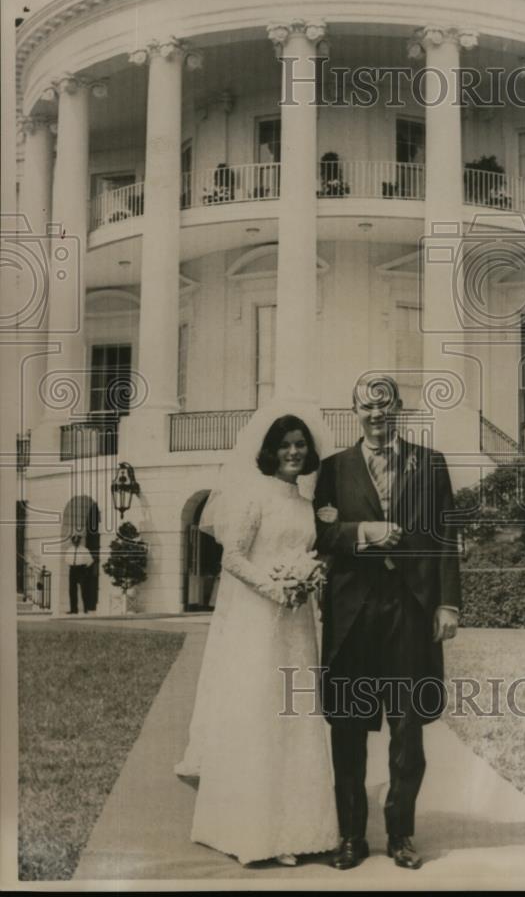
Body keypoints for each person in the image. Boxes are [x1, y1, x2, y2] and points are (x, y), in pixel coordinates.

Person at [175, 404, 339, 867]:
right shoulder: (255, 495)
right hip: (258, 617)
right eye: (285, 446)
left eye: (300, 446)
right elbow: (232, 558)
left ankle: (300, 828)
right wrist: (275, 586)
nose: (293, 452)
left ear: (308, 453)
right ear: (270, 451)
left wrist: (309, 577)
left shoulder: (307, 505)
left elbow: (311, 552)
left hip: (297, 624)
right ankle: (252, 830)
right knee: (259, 712)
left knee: (295, 715)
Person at [314, 373, 461, 871]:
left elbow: (445, 537)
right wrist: (364, 532)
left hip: (410, 611)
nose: (376, 415)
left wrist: (448, 605)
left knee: (407, 728)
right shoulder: (333, 469)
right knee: (348, 727)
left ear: (398, 407)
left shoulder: (430, 463)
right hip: (352, 613)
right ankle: (352, 836)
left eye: (384, 405)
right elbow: (320, 533)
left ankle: (400, 835)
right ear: (353, 410)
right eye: (366, 407)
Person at [67, 533, 93, 615]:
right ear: (72, 542)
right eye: (74, 541)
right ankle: (73, 609)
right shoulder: (70, 550)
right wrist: (72, 566)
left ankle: (86, 609)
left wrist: (84, 568)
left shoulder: (84, 550)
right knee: (72, 590)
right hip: (73, 569)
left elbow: (90, 561)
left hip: (82, 570)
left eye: (77, 541)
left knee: (84, 590)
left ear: (79, 541)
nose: (76, 542)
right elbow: (67, 560)